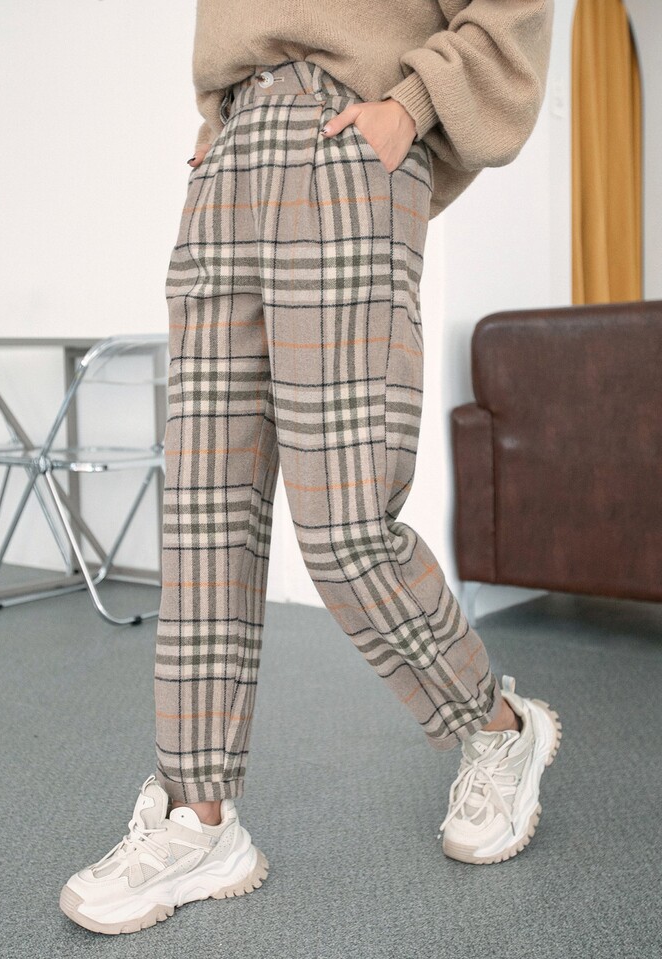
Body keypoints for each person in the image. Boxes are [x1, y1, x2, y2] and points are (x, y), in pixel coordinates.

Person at [60, 0, 561, 935]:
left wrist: (411, 108)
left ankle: (499, 728)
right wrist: (219, 131)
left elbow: (512, 12)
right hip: (230, 158)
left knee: (343, 524)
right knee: (204, 511)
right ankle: (198, 818)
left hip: (345, 141)